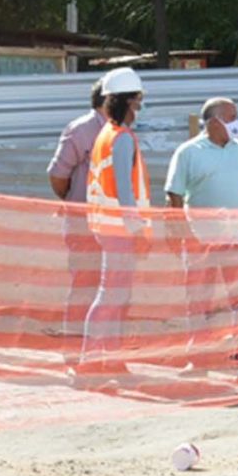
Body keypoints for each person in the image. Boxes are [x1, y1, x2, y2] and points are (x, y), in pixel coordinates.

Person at [165, 97, 238, 369]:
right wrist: (182, 233)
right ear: (213, 122)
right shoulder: (187, 153)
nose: (236, 122)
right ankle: (197, 360)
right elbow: (173, 196)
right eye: (230, 117)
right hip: (202, 242)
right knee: (198, 303)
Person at [82, 67, 151, 379]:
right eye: (137, 102)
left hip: (107, 227)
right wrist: (137, 228)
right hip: (119, 230)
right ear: (127, 102)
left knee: (115, 296)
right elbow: (125, 190)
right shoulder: (120, 139)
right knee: (111, 296)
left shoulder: (105, 135)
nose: (139, 109)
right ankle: (93, 360)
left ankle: (109, 358)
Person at [47, 79, 109, 336]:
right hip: (84, 223)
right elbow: (57, 176)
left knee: (113, 288)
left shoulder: (123, 131)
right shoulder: (81, 129)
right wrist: (75, 200)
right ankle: (74, 346)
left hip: (114, 227)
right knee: (85, 282)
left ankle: (104, 350)